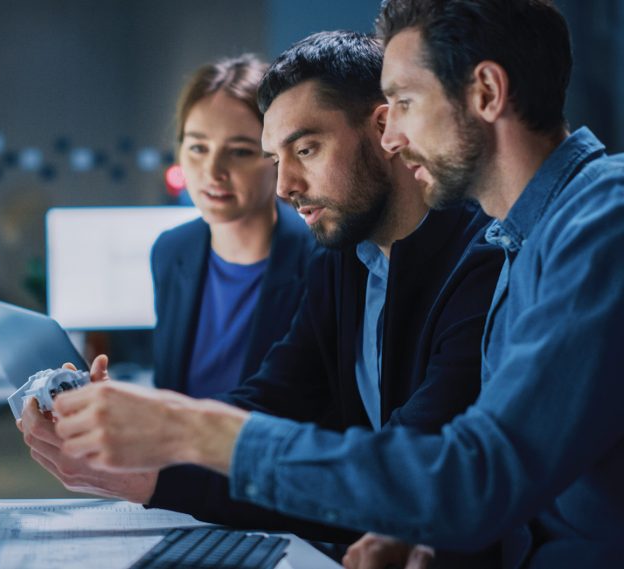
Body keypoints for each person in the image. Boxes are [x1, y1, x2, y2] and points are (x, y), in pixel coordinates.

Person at [45, 1, 624, 567]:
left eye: (402, 103)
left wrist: (189, 431)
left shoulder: (600, 225)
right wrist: (414, 533)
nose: (390, 135)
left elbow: (473, 478)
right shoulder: (522, 239)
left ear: (487, 94)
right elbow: (489, 484)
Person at [151, 54, 316, 398]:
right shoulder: (171, 250)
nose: (212, 172)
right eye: (197, 147)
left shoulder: (322, 261)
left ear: (277, 156)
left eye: (240, 151)